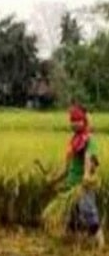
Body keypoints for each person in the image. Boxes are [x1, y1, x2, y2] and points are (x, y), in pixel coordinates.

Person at [48, 104, 103, 244]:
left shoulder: (88, 140)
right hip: (71, 184)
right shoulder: (73, 141)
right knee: (71, 215)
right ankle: (71, 242)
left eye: (76, 120)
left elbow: (89, 158)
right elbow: (67, 167)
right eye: (71, 120)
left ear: (83, 121)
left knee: (88, 211)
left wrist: (86, 175)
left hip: (83, 185)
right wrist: (55, 178)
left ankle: (100, 243)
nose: (73, 124)